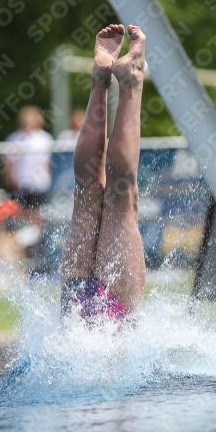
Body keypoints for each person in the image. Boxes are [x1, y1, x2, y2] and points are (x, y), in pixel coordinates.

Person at [61, 24, 146, 325]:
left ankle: (129, 82)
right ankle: (102, 82)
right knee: (87, 191)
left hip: (103, 320)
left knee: (121, 195)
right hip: (73, 301)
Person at [3, 106, 54, 212]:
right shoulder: (14, 138)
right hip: (20, 182)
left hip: (41, 182)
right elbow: (8, 162)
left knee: (39, 211)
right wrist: (10, 182)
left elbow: (49, 162)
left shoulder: (45, 138)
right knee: (20, 211)